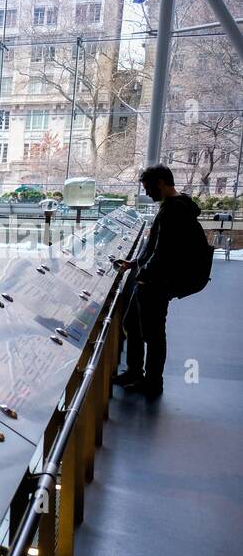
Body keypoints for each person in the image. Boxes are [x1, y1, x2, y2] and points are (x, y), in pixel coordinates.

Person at [113, 164, 204, 399]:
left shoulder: (175, 209)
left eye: (149, 187)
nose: (148, 193)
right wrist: (135, 264)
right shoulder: (175, 205)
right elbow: (155, 245)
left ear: (161, 183)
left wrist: (144, 275)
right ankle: (136, 372)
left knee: (153, 334)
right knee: (133, 324)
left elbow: (165, 250)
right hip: (153, 279)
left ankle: (152, 382)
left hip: (156, 283)